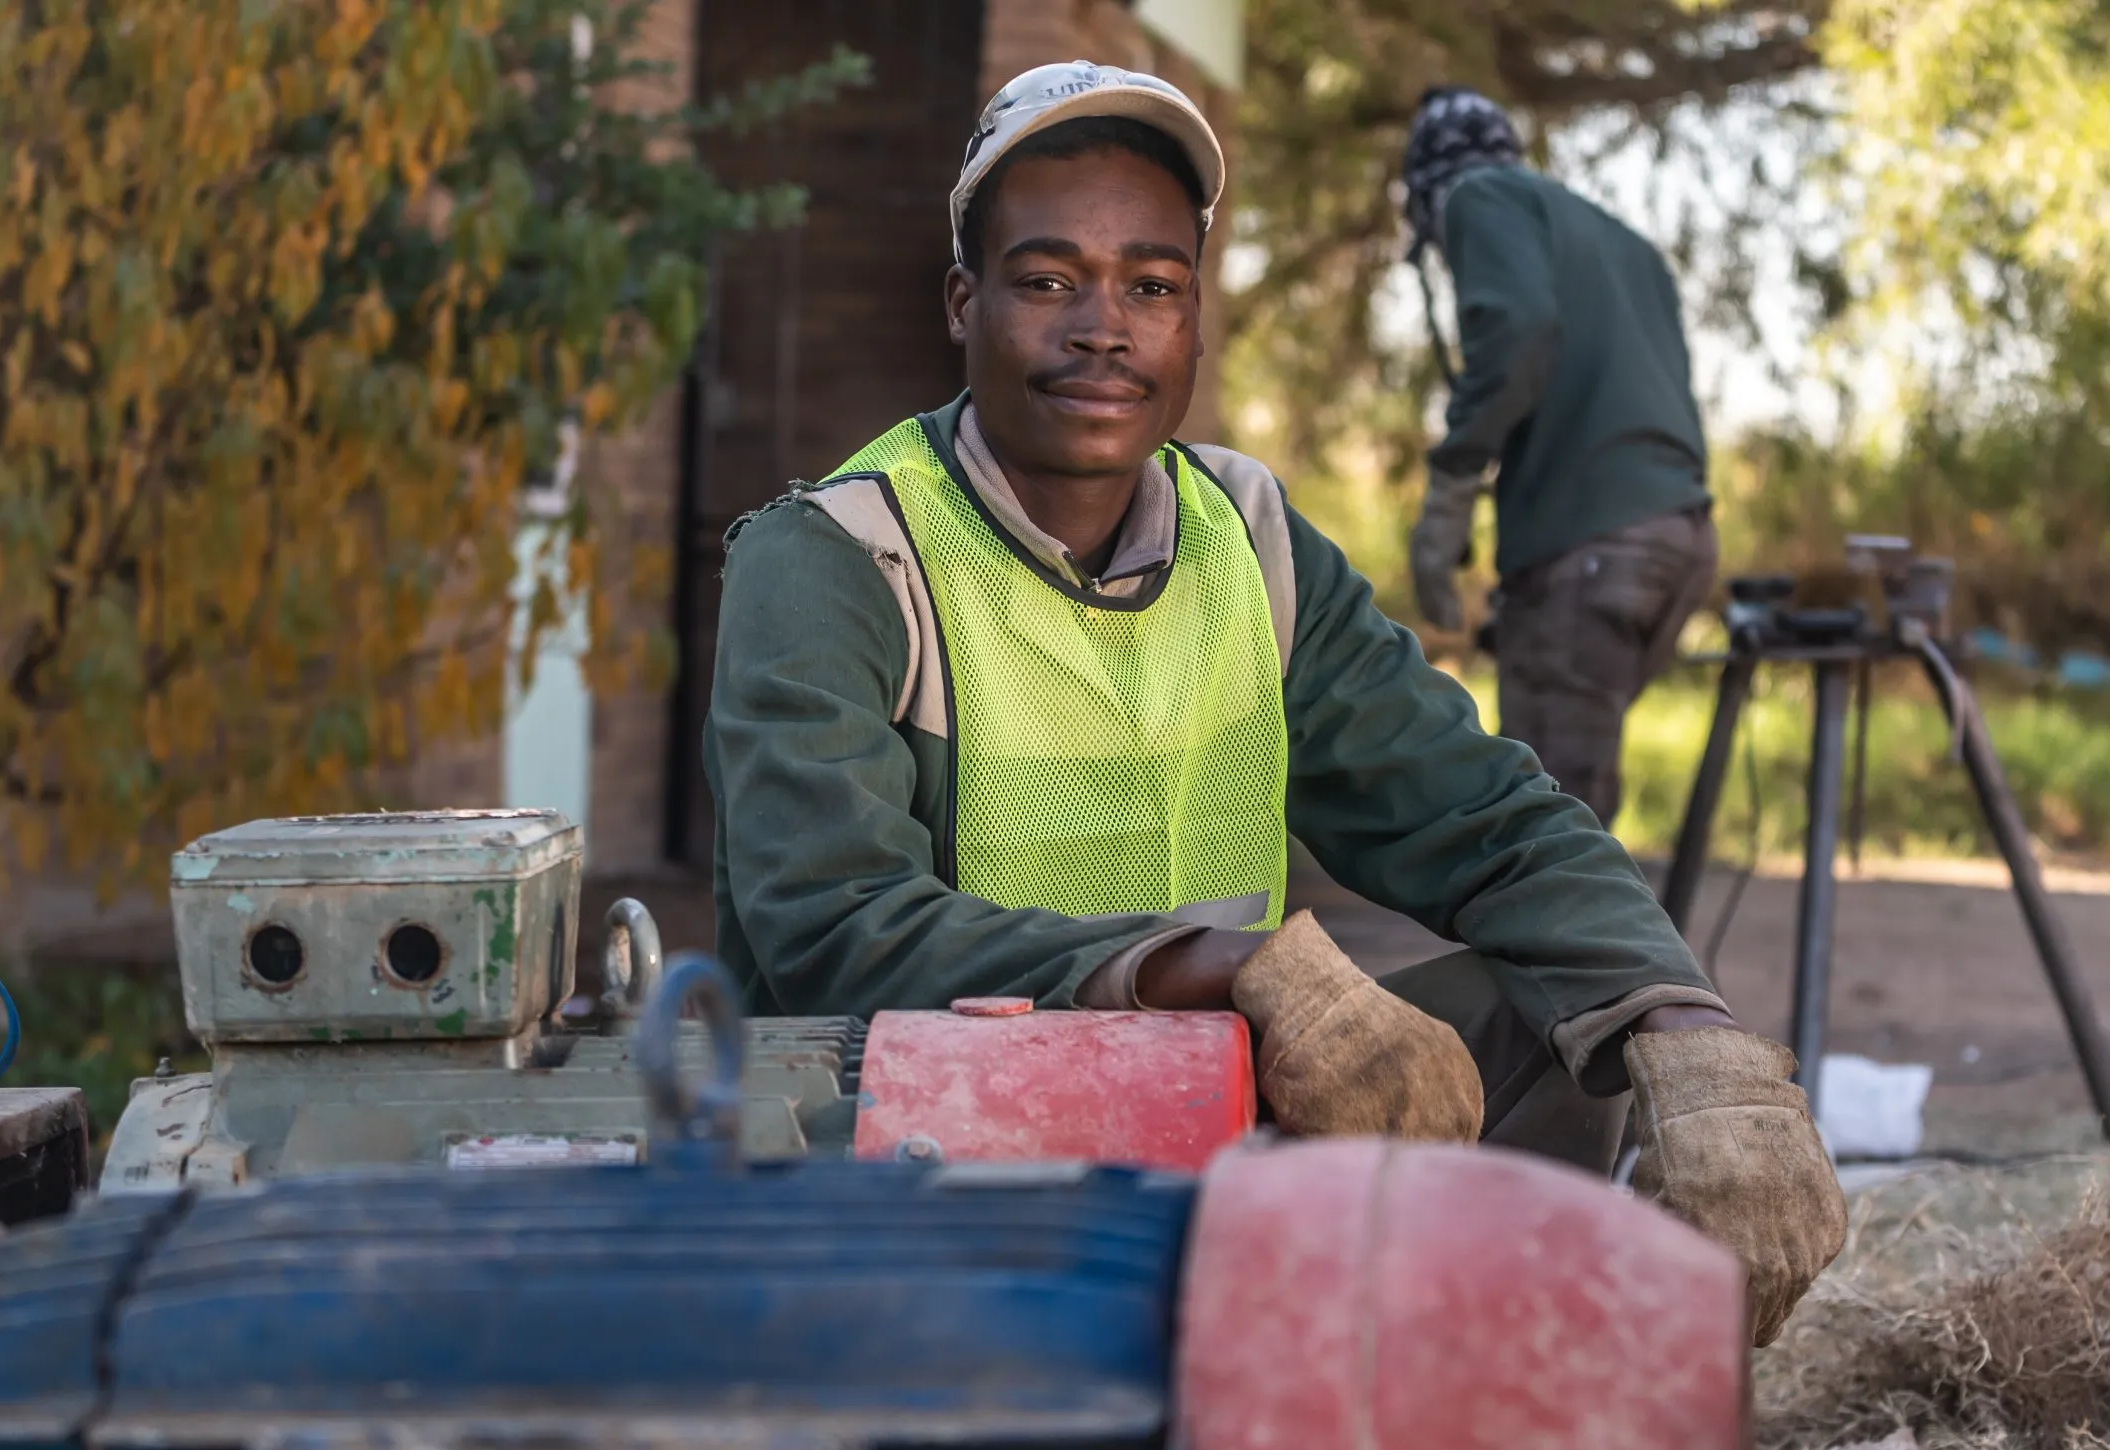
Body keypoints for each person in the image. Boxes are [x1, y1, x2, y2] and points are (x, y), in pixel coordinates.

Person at [701, 61, 1841, 1344]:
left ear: (1195, 320)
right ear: (963, 302)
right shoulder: (841, 554)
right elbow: (835, 927)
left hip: (1211, 1112)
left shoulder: (1243, 536)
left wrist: (1682, 1024)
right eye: (1045, 280)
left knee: (1551, 1014)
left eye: (1152, 284)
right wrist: (1229, 969)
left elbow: (1486, 816)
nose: (1102, 328)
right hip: (923, 1153)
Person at [1402, 86, 1717, 832]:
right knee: (1579, 799)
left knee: (1550, 830)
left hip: (1593, 550)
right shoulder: (1618, 240)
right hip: (1677, 539)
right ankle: (1609, 947)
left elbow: (1517, 331)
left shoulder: (1475, 193)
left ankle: (1587, 955)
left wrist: (1451, 486)